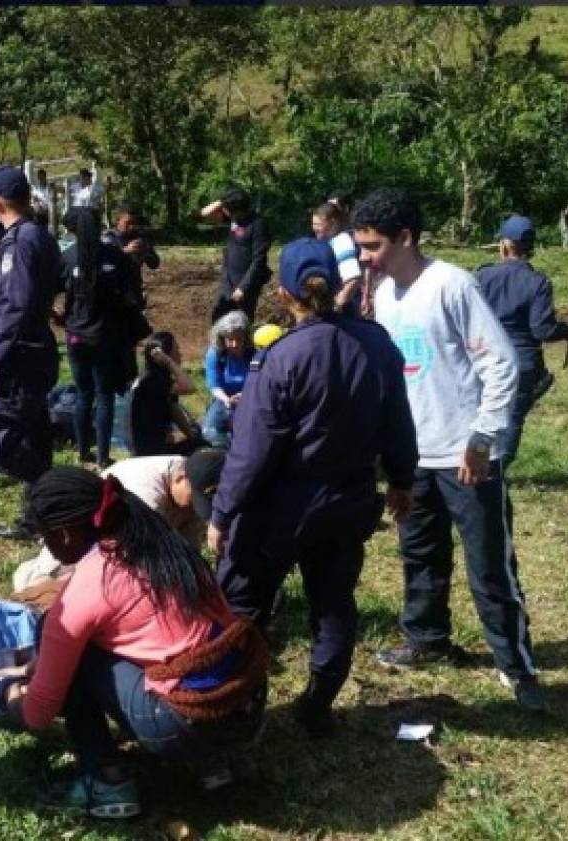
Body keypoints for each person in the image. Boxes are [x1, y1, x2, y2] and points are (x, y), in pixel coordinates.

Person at [207, 238, 418, 736]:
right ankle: (319, 704)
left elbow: (252, 449)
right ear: (340, 282)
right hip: (348, 500)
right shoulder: (376, 343)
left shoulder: (281, 357)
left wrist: (222, 512)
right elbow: (399, 421)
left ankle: (240, 705)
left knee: (244, 605)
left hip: (279, 507)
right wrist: (402, 478)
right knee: (333, 604)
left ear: (283, 293)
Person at [353, 188, 547, 712]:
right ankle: (427, 637)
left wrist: (482, 439)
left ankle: (517, 667)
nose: (364, 259)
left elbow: (500, 364)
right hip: (414, 458)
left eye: (371, 247)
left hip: (467, 457)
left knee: (489, 565)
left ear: (405, 238)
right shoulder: (383, 295)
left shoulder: (453, 285)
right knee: (420, 553)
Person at [3, 467, 269, 819]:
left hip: (193, 721)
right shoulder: (166, 544)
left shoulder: (91, 585)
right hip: (246, 698)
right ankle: (211, 762)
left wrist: (12, 697)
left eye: (44, 537)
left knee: (68, 644)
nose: (45, 545)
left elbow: (38, 715)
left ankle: (107, 782)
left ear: (65, 534)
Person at [0, 166, 62, 540]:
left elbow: (18, 303)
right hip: (32, 350)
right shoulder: (36, 236)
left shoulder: (20, 243)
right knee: (34, 437)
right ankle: (39, 519)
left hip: (18, 357)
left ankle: (55, 492)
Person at [11, 449, 227, 591]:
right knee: (36, 585)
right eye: (194, 499)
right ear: (180, 478)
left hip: (132, 540)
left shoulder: (192, 482)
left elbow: (188, 551)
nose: (193, 507)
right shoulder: (145, 495)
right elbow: (140, 557)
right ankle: (34, 570)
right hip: (89, 532)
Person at [474, 215, 568, 472]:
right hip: (522, 363)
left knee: (480, 414)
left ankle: (475, 465)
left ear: (505, 245)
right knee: (513, 418)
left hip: (483, 359)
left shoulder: (482, 276)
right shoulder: (537, 283)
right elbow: (542, 329)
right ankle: (495, 471)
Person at [57, 206, 144, 469]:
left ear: (71, 230)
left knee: (84, 394)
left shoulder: (68, 258)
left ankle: (83, 453)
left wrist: (60, 318)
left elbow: (48, 291)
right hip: (105, 336)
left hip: (76, 337)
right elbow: (132, 295)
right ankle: (103, 456)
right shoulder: (115, 255)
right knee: (104, 395)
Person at [200, 187, 271, 324]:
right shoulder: (234, 218)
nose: (222, 210)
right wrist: (224, 200)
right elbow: (205, 213)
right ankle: (219, 345)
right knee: (218, 320)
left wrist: (243, 288)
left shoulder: (258, 225)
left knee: (241, 323)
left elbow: (259, 261)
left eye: (225, 207)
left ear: (236, 209)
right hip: (228, 280)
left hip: (246, 284)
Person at [127, 331, 200, 457]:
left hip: (151, 444)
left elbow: (174, 409)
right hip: (150, 452)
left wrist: (190, 435)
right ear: (166, 355)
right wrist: (169, 362)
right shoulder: (152, 380)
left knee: (197, 437)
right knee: (204, 449)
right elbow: (190, 387)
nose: (180, 354)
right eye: (176, 350)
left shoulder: (157, 377)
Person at [201, 311, 254, 449]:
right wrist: (226, 400)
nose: (235, 344)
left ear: (246, 338)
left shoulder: (255, 353)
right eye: (230, 340)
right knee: (209, 432)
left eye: (239, 339)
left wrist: (245, 396)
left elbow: (261, 383)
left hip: (252, 399)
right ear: (222, 338)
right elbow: (214, 384)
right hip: (223, 399)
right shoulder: (215, 353)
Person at [311, 198, 365, 317]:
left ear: (333, 222)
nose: (315, 228)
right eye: (313, 224)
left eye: (318, 225)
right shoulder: (328, 242)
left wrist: (337, 305)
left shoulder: (341, 242)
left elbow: (353, 278)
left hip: (345, 311)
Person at [103, 204, 160, 287]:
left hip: (134, 289)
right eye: (128, 223)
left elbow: (154, 264)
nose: (132, 227)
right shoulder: (109, 238)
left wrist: (146, 253)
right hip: (113, 289)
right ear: (118, 221)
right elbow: (104, 262)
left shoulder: (139, 238)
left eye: (134, 223)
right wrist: (125, 251)